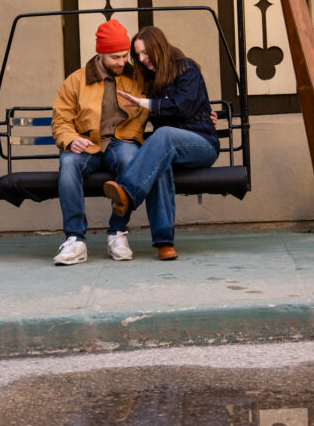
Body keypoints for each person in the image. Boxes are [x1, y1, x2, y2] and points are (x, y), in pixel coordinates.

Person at [104, 26, 220, 261]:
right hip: (169, 149)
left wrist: (144, 103)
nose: (143, 60)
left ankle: (125, 193)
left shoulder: (186, 69)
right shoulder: (149, 79)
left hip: (201, 143)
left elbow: (181, 107)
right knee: (159, 165)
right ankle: (164, 242)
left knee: (164, 135)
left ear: (159, 46)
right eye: (138, 55)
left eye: (146, 53)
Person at [51, 18, 149, 265]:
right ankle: (75, 239)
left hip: (121, 141)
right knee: (69, 164)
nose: (122, 62)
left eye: (124, 55)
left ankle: (117, 232)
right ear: (101, 53)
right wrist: (71, 139)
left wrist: (133, 136)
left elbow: (151, 109)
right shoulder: (76, 81)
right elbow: (60, 120)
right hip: (87, 143)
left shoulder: (135, 78)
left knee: (130, 160)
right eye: (115, 57)